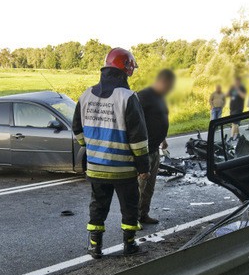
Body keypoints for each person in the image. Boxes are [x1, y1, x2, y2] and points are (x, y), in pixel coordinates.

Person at [72, 48, 150, 258]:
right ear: (126, 69)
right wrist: (144, 167)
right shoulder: (127, 97)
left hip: (96, 168)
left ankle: (94, 246)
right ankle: (129, 244)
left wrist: (90, 147)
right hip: (123, 169)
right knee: (129, 207)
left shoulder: (85, 95)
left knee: (98, 206)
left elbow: (77, 129)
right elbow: (138, 138)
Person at [136, 69, 176, 225]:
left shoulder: (161, 98)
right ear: (162, 81)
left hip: (155, 150)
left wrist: (163, 139)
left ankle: (143, 214)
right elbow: (134, 122)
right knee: (139, 187)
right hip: (143, 151)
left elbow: (159, 117)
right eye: (170, 85)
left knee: (149, 188)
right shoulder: (144, 96)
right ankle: (132, 219)